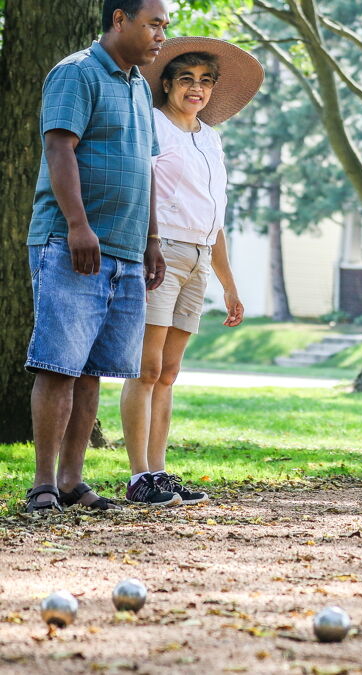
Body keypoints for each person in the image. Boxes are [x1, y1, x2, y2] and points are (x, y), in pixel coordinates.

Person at [23, 0, 169, 513]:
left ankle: (71, 481)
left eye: (164, 26)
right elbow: (59, 148)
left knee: (91, 372)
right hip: (72, 243)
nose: (160, 36)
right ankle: (42, 484)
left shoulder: (138, 90)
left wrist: (150, 241)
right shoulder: (77, 73)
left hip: (126, 250)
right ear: (119, 19)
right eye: (153, 24)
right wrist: (78, 225)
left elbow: (145, 170)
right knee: (59, 365)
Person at [118, 37, 263, 507]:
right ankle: (139, 476)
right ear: (166, 84)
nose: (196, 89)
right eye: (186, 79)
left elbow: (214, 216)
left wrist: (230, 283)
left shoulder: (210, 137)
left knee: (170, 372)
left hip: (200, 257)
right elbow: (140, 196)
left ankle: (159, 473)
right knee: (147, 367)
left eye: (205, 81)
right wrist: (149, 247)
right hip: (161, 253)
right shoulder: (153, 126)